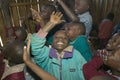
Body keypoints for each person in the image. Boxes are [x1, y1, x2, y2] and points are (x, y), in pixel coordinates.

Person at [30, 11, 86, 80]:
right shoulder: (46, 55)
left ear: (69, 42)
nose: (60, 40)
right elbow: (34, 44)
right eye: (56, 37)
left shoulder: (76, 55)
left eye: (64, 38)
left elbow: (84, 74)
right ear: (52, 42)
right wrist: (51, 23)